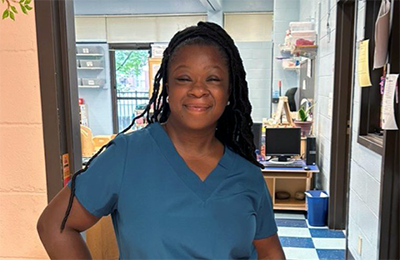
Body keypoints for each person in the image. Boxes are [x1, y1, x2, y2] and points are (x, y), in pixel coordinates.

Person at [37, 21, 285, 260]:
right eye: (184, 78)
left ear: (229, 91)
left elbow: (270, 253)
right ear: (167, 87)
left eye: (213, 79)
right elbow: (54, 225)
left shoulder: (246, 174)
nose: (198, 90)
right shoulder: (126, 156)